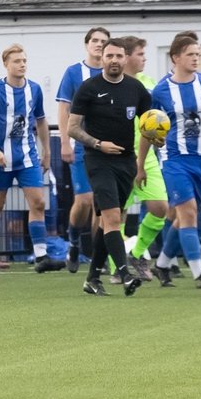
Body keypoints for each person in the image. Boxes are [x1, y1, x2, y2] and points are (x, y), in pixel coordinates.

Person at [143, 36, 201, 289]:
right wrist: (141, 163)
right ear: (176, 58)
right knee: (188, 211)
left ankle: (162, 264)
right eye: (191, 54)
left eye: (198, 54)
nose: (196, 58)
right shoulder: (160, 91)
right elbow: (149, 128)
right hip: (174, 160)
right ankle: (198, 271)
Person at [68, 38, 151, 297]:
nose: (114, 60)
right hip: (98, 160)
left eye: (118, 56)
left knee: (107, 222)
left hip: (126, 162)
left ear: (125, 59)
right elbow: (71, 128)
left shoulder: (136, 89)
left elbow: (149, 126)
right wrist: (98, 144)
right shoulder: (88, 88)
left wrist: (142, 162)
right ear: (101, 59)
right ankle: (124, 274)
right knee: (114, 218)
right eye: (109, 56)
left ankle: (92, 278)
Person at [0, 44, 64, 274]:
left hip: (27, 157)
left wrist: (47, 152)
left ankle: (41, 255)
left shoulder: (34, 89)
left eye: (24, 60)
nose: (22, 64)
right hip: (0, 159)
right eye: (17, 61)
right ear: (6, 65)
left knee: (38, 202)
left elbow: (42, 120)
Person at [106, 36, 168, 283]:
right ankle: (116, 269)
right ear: (128, 56)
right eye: (141, 54)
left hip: (146, 156)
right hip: (117, 157)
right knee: (115, 215)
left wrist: (161, 134)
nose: (144, 59)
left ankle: (138, 254)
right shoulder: (111, 85)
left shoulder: (149, 84)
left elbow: (156, 119)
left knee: (160, 207)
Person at [57, 27, 110, 273]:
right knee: (85, 200)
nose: (99, 45)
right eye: (95, 41)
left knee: (102, 203)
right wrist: (65, 142)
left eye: (104, 42)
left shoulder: (113, 73)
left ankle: (94, 253)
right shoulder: (73, 72)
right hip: (81, 146)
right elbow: (64, 108)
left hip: (107, 148)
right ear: (87, 44)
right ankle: (74, 241)